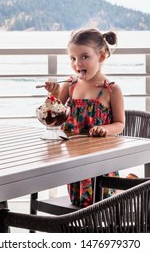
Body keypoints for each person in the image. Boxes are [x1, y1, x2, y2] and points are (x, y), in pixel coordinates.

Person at [44, 28, 125, 207]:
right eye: (73, 58)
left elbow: (119, 124)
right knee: (78, 204)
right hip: (75, 161)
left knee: (100, 205)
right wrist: (55, 93)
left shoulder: (111, 90)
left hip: (100, 161)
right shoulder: (70, 85)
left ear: (101, 57)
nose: (77, 63)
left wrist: (104, 129)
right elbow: (53, 113)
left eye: (84, 57)